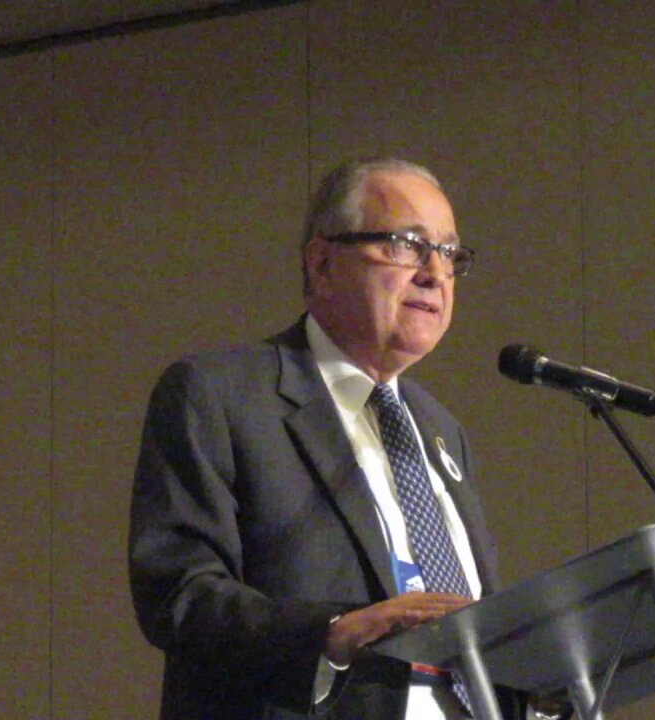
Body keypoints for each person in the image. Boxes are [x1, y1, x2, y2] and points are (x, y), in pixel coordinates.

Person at [128, 157, 521, 719]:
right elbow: (179, 592)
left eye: (450, 254)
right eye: (407, 245)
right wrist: (331, 633)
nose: (436, 273)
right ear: (323, 263)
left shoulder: (440, 431)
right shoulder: (222, 395)